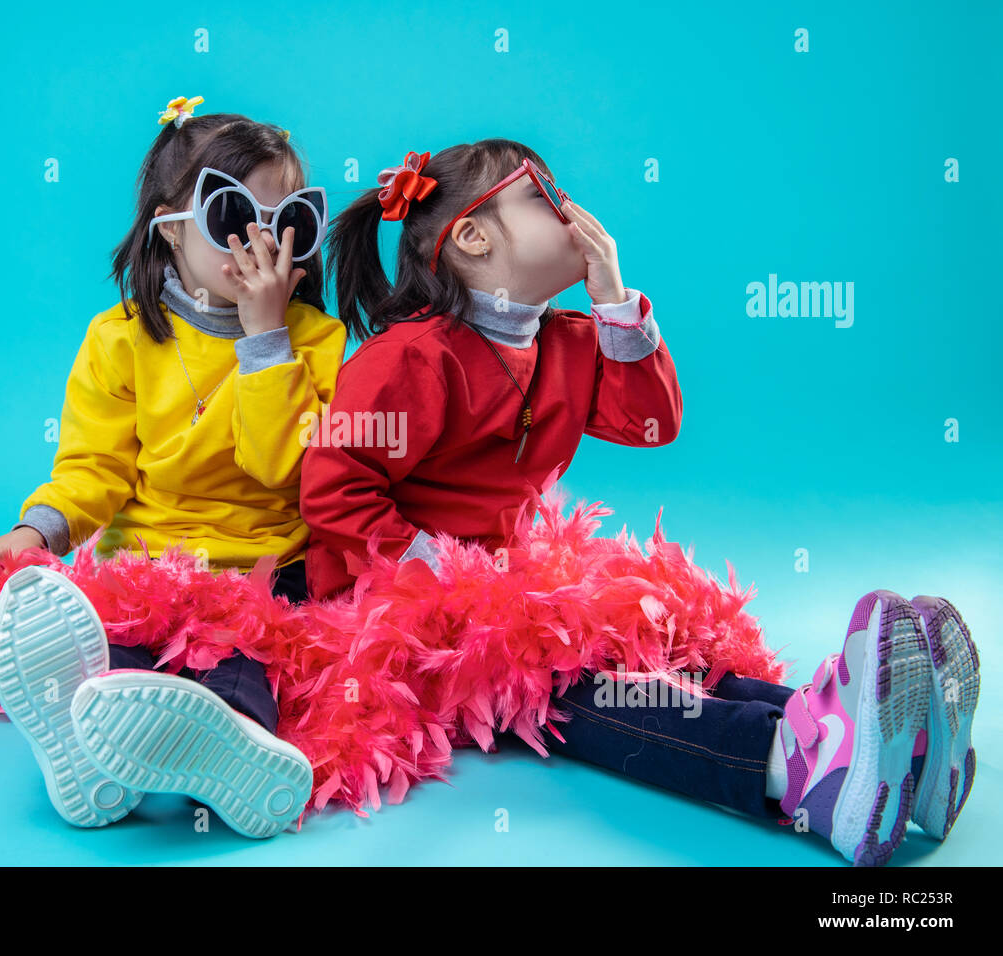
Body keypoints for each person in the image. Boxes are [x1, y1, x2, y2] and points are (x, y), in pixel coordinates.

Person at [300, 138, 979, 863]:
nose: (573, 213)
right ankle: (796, 767)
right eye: (546, 198)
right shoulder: (411, 357)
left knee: (639, 649)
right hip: (403, 617)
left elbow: (649, 422)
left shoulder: (568, 343)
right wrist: (436, 574)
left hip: (510, 590)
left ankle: (889, 748)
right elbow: (332, 483)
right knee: (576, 691)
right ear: (472, 236)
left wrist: (616, 300)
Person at [0, 96, 345, 838]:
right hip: (145, 572)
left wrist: (263, 341)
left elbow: (278, 466)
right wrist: (37, 535)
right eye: (233, 219)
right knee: (113, 663)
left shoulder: (315, 339)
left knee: (236, 669)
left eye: (288, 223)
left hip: (262, 574)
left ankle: (233, 749)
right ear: (169, 224)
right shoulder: (121, 340)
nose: (262, 245)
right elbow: (93, 468)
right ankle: (91, 751)